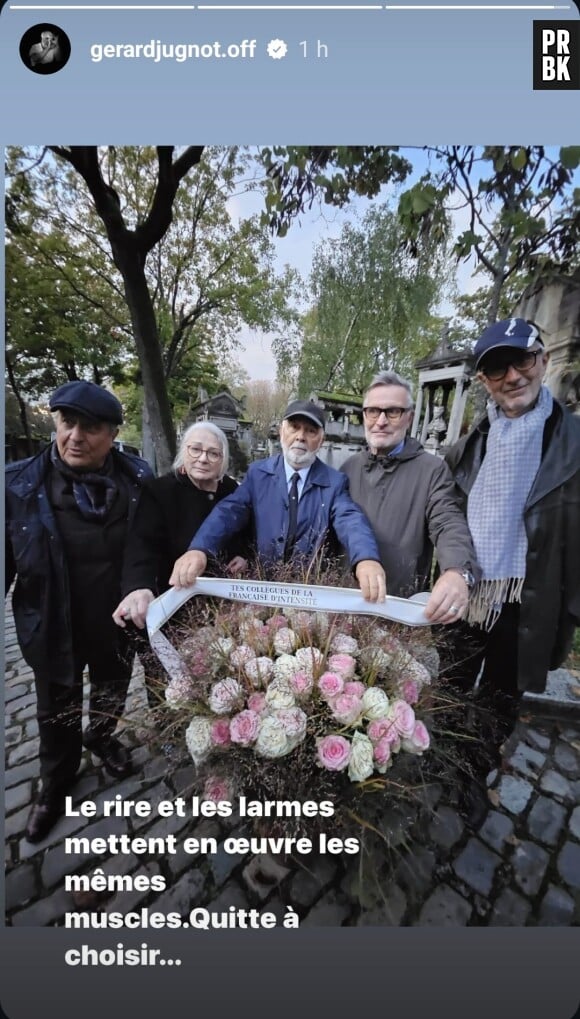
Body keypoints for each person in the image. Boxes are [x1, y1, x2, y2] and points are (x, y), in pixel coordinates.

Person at [5, 381, 152, 843]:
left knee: (112, 688)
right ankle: (56, 783)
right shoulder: (18, 484)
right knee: (55, 710)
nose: (75, 437)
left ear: (111, 434)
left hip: (115, 620)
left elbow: (147, 547)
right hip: (52, 621)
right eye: (67, 423)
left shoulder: (138, 480)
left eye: (91, 428)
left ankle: (103, 737)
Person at [444, 318, 580, 790]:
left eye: (522, 360)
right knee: (450, 683)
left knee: (501, 698)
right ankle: (441, 761)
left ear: (542, 361)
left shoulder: (573, 443)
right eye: (498, 369)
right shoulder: (466, 447)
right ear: (484, 380)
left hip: (529, 597)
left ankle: (474, 773)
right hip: (467, 590)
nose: (513, 377)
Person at [169, 400, 386, 602]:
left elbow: (350, 520)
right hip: (261, 592)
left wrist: (366, 558)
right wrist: (199, 548)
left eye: (310, 431)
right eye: (294, 427)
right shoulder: (258, 474)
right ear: (282, 431)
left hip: (309, 596)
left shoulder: (334, 482)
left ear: (320, 440)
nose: (301, 437)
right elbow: (229, 512)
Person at [341, 370, 478, 624]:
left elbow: (447, 522)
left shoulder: (431, 470)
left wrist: (458, 570)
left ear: (409, 417)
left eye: (392, 412)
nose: (381, 421)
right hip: (347, 605)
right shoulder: (348, 468)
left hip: (399, 610)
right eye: (373, 411)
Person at [112, 421, 248, 632]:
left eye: (213, 453)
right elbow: (141, 545)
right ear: (183, 450)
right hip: (173, 602)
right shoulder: (159, 491)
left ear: (223, 460)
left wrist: (243, 554)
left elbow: (245, 529)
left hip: (222, 608)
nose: (203, 459)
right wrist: (139, 586)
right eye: (195, 449)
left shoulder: (231, 491)